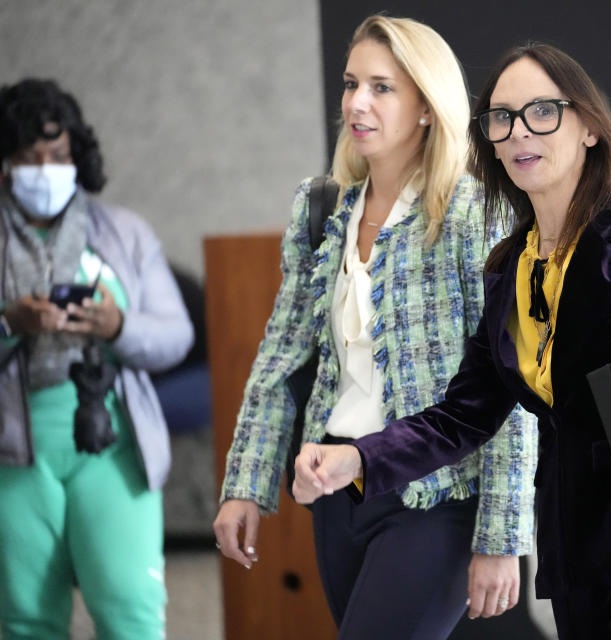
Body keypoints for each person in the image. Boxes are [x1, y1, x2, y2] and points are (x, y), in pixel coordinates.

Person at [293, 43, 611, 639]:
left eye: (541, 112)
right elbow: (462, 418)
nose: (520, 132)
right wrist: (360, 457)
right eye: (502, 118)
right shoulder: (509, 270)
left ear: (590, 129)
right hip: (578, 560)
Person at [213, 15, 538, 639]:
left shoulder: (476, 214)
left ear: (425, 105)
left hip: (436, 499)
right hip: (336, 497)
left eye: (382, 87)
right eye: (350, 83)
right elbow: (278, 361)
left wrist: (502, 537)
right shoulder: (322, 208)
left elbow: (512, 389)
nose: (357, 102)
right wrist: (245, 485)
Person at [0, 78, 193, 639]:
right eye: (26, 156)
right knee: (25, 618)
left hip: (112, 442)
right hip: (14, 452)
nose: (44, 168)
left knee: (130, 606)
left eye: (57, 155)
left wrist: (119, 325)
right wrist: (12, 323)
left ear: (77, 156)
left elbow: (175, 336)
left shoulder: (124, 234)